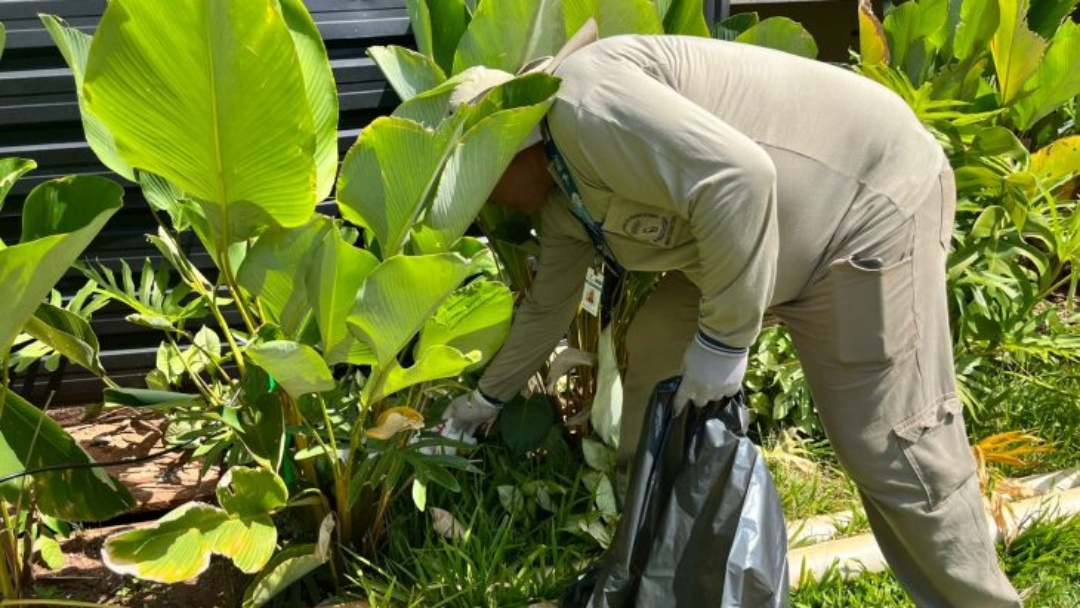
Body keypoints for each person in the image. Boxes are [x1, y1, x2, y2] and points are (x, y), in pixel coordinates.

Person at [440, 29, 1021, 608]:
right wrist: (483, 403)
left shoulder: (587, 103)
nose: (486, 205)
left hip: (862, 209)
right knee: (657, 347)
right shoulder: (563, 196)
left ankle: (980, 601)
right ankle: (659, 570)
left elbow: (741, 179)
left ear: (516, 147)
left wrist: (724, 342)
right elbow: (549, 307)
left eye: (482, 182)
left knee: (890, 444)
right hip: (771, 244)